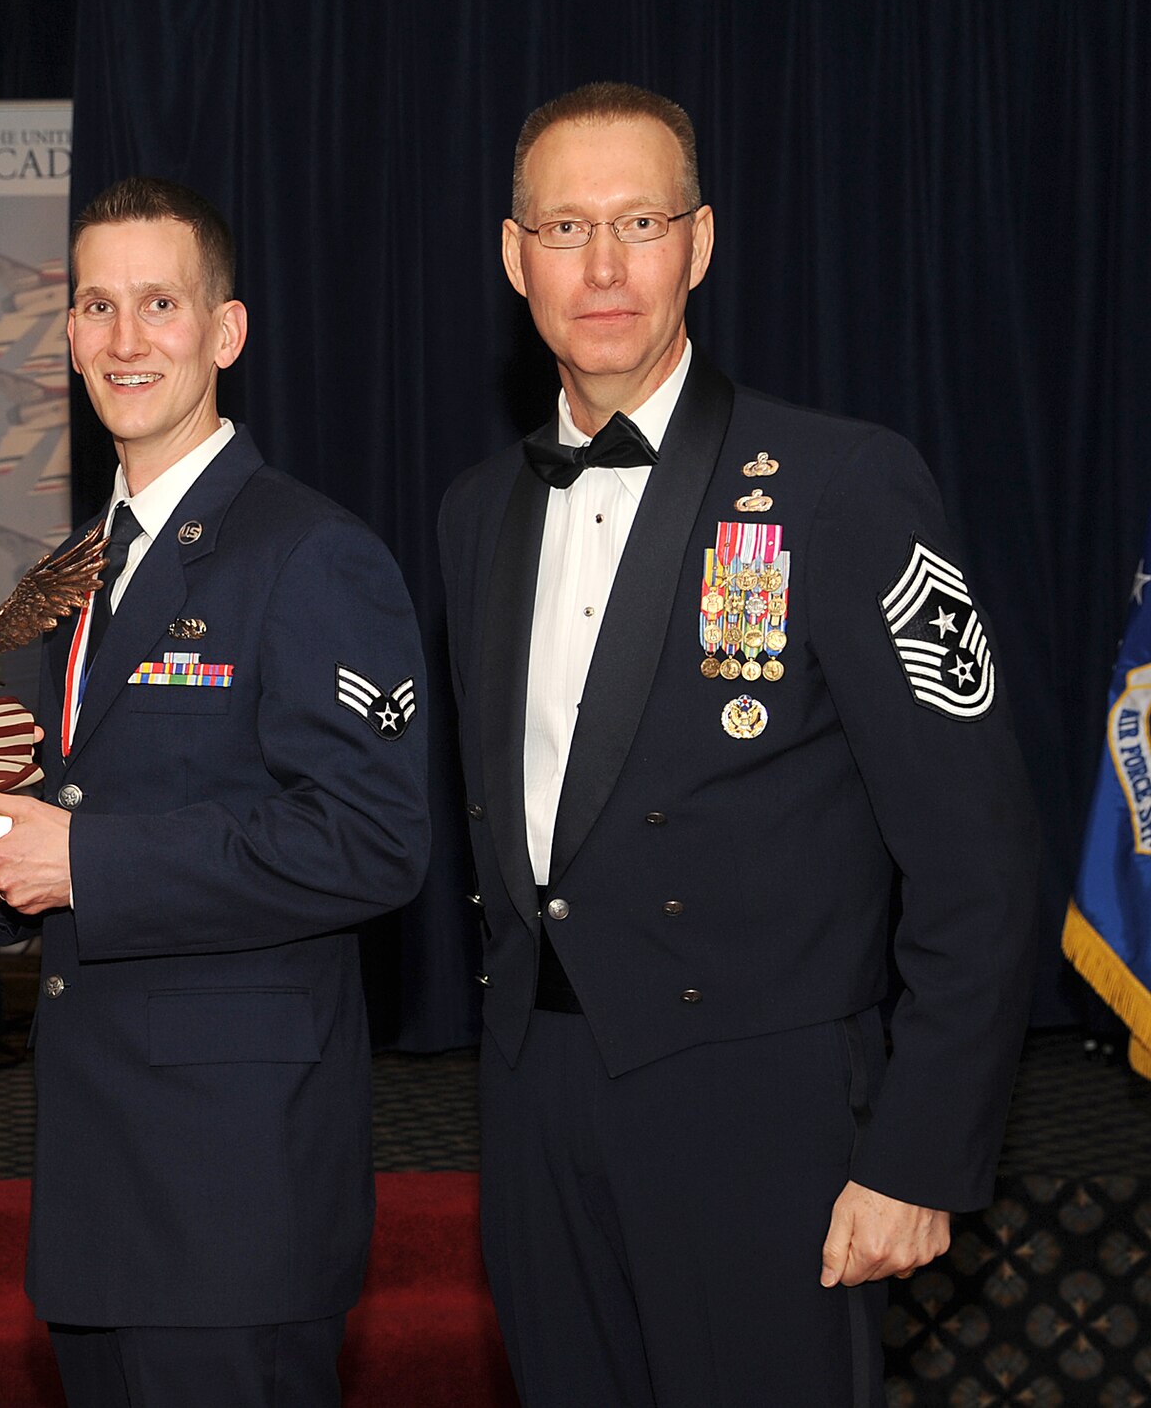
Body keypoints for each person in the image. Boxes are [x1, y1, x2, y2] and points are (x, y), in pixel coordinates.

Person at [438, 82, 1038, 1406]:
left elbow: (978, 856)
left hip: (765, 1110)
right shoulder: (477, 513)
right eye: (566, 227)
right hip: (540, 1104)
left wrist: (918, 1153)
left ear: (699, 245)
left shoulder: (842, 485)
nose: (603, 267)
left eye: (640, 222)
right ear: (512, 254)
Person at [0, 177, 430, 1407]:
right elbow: (68, 817)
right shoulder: (74, 577)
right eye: (96, 305)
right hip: (98, 1193)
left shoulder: (312, 553)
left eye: (159, 302)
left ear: (225, 332)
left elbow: (369, 840)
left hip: (235, 1203)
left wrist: (79, 865)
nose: (125, 338)